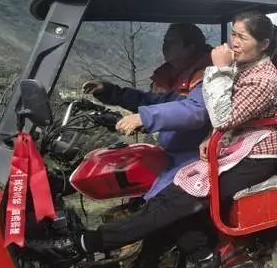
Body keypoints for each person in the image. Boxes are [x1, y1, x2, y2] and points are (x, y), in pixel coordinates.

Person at [36, 11, 277, 268]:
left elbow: (219, 116)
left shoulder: (260, 78)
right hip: (230, 147)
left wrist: (217, 70)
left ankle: (87, 245)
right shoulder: (229, 69)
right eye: (233, 34)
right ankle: (199, 264)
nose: (234, 42)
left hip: (254, 154)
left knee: (172, 202)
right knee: (171, 201)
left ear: (263, 43)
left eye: (242, 36)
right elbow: (193, 110)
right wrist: (115, 96)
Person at [83, 23, 213, 199]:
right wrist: (111, 92)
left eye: (171, 42)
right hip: (173, 153)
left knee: (155, 203)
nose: (164, 46)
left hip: (192, 155)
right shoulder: (181, 75)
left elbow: (195, 111)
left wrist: (144, 118)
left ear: (190, 47)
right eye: (164, 41)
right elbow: (157, 101)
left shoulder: (205, 75)